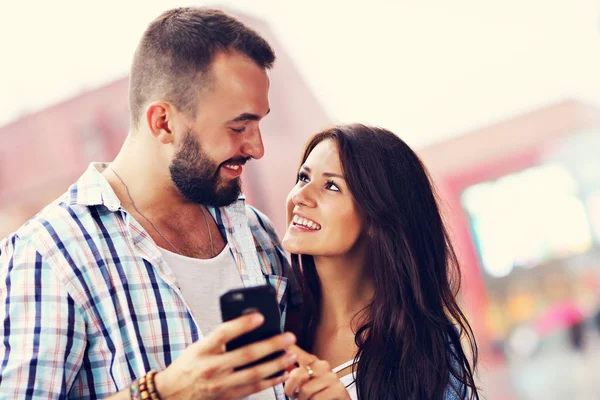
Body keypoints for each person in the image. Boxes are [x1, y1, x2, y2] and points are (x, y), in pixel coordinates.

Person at [0, 7, 302, 399]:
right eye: (238, 127)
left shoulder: (254, 228)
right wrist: (163, 392)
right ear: (163, 122)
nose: (256, 148)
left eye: (259, 124)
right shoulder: (49, 253)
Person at [281, 124, 480, 399]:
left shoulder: (427, 350)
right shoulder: (280, 320)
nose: (300, 196)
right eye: (304, 178)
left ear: (376, 218)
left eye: (331, 186)